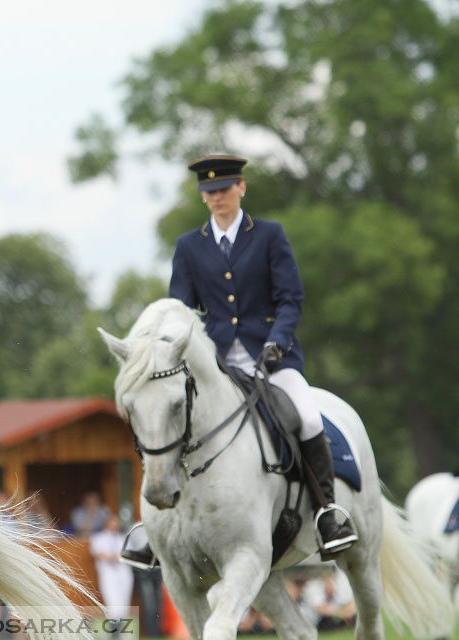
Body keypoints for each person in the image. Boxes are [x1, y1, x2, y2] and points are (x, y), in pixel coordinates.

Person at [124, 155, 357, 570]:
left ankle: (327, 513)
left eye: (224, 189)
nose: (217, 198)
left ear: (241, 188)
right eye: (209, 192)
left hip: (270, 359)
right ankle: (155, 525)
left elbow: (290, 299)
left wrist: (277, 342)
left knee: (306, 417)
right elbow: (180, 310)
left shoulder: (268, 236)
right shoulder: (189, 246)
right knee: (165, 421)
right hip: (215, 367)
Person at [89, 514, 134, 637]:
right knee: (113, 602)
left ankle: (121, 633)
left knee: (124, 602)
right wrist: (114, 557)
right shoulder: (98, 538)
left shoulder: (122, 537)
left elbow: (128, 555)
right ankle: (113, 633)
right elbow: (100, 554)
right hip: (108, 573)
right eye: (113, 521)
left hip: (124, 573)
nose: (115, 524)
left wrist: (115, 557)